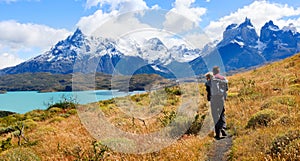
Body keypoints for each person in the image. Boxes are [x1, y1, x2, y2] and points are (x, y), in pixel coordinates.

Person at [210, 66, 228, 139]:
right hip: (221, 98)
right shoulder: (223, 78)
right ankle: (223, 127)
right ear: (218, 71)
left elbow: (208, 89)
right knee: (221, 113)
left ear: (213, 71)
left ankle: (217, 133)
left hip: (213, 99)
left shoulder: (212, 79)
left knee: (215, 115)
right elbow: (226, 88)